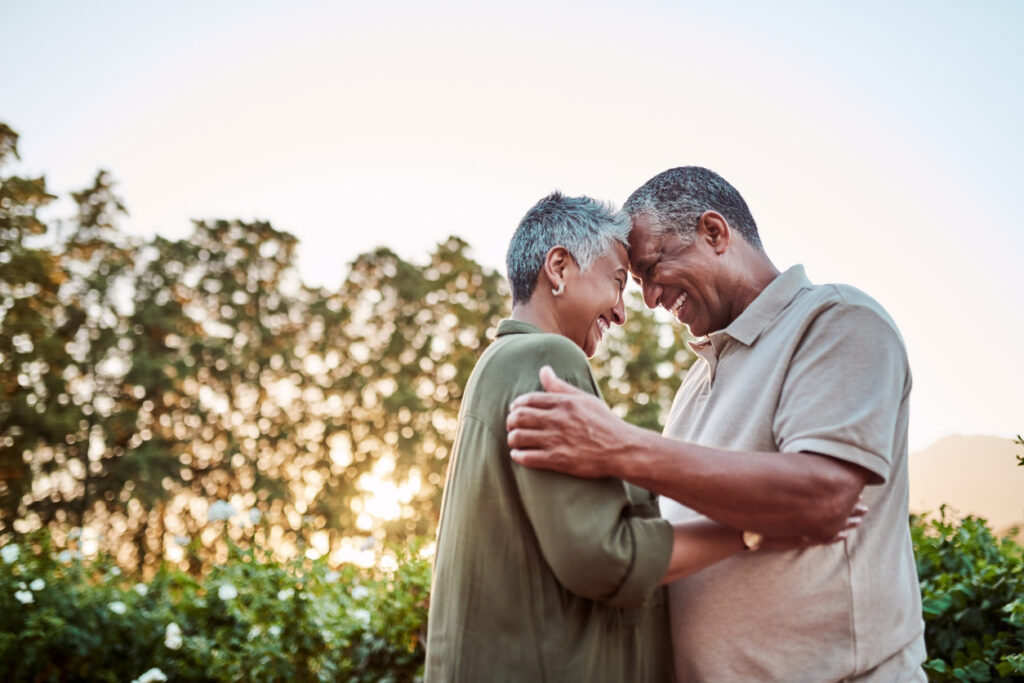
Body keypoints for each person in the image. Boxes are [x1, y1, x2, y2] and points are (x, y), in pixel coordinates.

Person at [507, 167, 926, 682]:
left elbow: (823, 497)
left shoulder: (837, 321)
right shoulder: (692, 386)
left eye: (652, 268)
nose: (650, 300)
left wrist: (618, 446)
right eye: (635, 283)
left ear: (714, 233)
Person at [424, 191, 859, 682]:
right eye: (618, 282)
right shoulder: (548, 358)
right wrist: (752, 530)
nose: (623, 312)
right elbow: (605, 558)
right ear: (560, 268)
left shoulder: (498, 365)